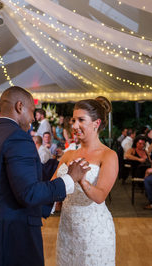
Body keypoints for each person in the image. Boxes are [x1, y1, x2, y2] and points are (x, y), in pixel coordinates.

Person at [0, 86, 87, 266]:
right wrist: (69, 178)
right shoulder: (18, 137)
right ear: (20, 107)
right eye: (31, 111)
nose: (32, 118)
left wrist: (55, 167)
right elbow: (29, 193)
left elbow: (9, 180)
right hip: (10, 239)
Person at [50, 96, 118, 265]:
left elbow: (100, 196)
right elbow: (52, 188)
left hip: (95, 231)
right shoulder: (68, 154)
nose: (74, 126)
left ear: (96, 123)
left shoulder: (108, 155)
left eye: (81, 120)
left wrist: (80, 180)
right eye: (73, 120)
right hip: (67, 229)